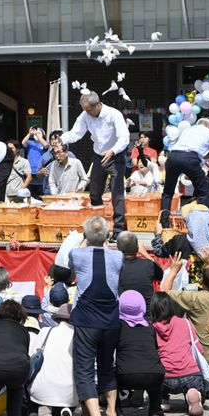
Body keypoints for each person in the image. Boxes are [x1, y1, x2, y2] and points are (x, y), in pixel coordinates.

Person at [67, 216, 122, 416]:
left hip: (87, 321)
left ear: (86, 236)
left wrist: (85, 239)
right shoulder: (117, 257)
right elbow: (105, 250)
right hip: (110, 321)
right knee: (107, 365)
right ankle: (111, 414)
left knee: (85, 370)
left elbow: (70, 263)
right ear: (107, 236)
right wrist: (102, 240)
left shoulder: (78, 254)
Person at [61, 92, 131, 236]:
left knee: (116, 193)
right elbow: (76, 133)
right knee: (94, 193)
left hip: (115, 155)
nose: (87, 112)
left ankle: (118, 229)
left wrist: (113, 151)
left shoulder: (114, 114)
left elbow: (124, 138)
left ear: (98, 104)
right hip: (99, 155)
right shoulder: (85, 115)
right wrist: (61, 139)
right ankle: (99, 228)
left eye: (89, 109)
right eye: (85, 109)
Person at [161, 260, 209, 395]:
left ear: (202, 282)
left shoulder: (194, 298)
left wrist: (174, 271)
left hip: (204, 357)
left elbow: (164, 291)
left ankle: (203, 388)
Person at [160, 118, 209, 221]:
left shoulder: (187, 131)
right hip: (190, 159)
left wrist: (203, 161)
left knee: (167, 192)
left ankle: (164, 223)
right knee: (204, 193)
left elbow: (186, 151)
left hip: (173, 157)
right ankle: (202, 223)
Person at [115, 291, 167, 416]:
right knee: (155, 379)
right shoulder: (150, 327)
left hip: (125, 376)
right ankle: (155, 412)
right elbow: (154, 349)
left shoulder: (117, 327)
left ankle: (117, 412)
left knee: (109, 376)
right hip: (153, 374)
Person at [150, 292, 205, 416]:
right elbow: (199, 349)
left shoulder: (153, 328)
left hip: (165, 378)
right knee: (196, 385)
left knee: (159, 384)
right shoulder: (185, 323)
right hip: (191, 375)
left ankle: (164, 400)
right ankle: (193, 392)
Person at [28, 303, 79, 416]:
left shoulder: (45, 331)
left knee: (27, 379)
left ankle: (33, 414)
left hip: (41, 388)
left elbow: (31, 355)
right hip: (70, 392)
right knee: (62, 404)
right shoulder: (78, 336)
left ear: (57, 319)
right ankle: (64, 413)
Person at [116, 231, 162, 309]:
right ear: (137, 248)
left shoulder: (114, 268)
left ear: (118, 249)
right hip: (146, 316)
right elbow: (161, 274)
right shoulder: (149, 265)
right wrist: (145, 254)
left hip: (122, 315)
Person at [22, 127, 48, 199]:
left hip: (40, 173)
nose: (36, 134)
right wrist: (29, 134)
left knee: (40, 196)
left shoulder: (44, 143)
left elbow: (46, 145)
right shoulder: (31, 143)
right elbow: (23, 143)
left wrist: (38, 135)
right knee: (30, 195)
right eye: (35, 133)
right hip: (30, 173)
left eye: (39, 133)